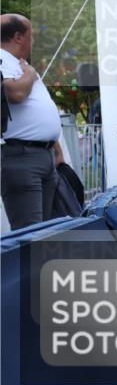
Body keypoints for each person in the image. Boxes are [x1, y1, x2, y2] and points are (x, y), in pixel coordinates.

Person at [0, 14, 65, 230]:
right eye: (32, 35)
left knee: (43, 230)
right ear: (18, 37)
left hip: (41, 155)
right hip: (21, 155)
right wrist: (29, 74)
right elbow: (15, 93)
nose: (33, 41)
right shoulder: (3, 60)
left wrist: (55, 148)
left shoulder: (19, 63)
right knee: (29, 232)